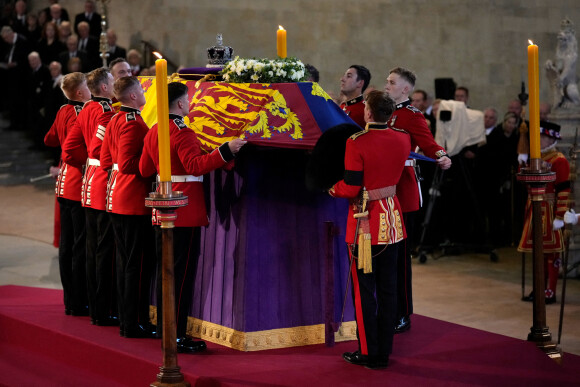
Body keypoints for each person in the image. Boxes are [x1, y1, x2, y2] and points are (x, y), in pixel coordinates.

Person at [140, 82, 247, 353]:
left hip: (161, 207)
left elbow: (144, 168)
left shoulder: (154, 130)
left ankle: (167, 330)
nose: (190, 104)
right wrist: (226, 149)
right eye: (187, 100)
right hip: (183, 210)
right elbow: (195, 165)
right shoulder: (183, 132)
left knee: (167, 274)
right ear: (179, 104)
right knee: (181, 276)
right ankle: (176, 336)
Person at [329, 90, 410, 370]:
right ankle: (384, 350)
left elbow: (351, 187)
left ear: (368, 112)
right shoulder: (402, 137)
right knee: (389, 289)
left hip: (366, 223)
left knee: (365, 292)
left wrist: (331, 188)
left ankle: (368, 352)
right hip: (393, 222)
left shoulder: (357, 142)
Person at [384, 67, 451, 334]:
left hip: (402, 189)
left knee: (400, 256)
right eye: (387, 81)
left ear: (405, 89)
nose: (386, 85)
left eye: (391, 83)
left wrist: (442, 155)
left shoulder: (411, 116)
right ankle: (387, 306)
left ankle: (402, 312)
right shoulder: (382, 110)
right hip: (381, 187)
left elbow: (428, 142)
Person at [100, 76, 156, 338]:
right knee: (137, 265)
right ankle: (136, 322)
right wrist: (155, 161)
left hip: (116, 197)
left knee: (126, 263)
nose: (145, 92)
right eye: (142, 90)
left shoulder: (116, 119)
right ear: (133, 96)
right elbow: (128, 164)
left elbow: (104, 161)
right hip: (132, 200)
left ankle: (127, 320)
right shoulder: (133, 124)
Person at [62, 67, 117, 326]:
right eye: (113, 81)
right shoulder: (106, 112)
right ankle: (104, 310)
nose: (116, 83)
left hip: (88, 180)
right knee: (104, 249)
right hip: (104, 181)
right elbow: (99, 147)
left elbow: (70, 148)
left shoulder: (85, 110)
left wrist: (87, 164)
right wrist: (101, 162)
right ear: (104, 88)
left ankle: (95, 308)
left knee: (92, 248)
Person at [43, 71, 92, 316]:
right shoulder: (79, 113)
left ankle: (69, 300)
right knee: (78, 244)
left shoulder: (62, 110)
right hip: (77, 182)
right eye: (88, 87)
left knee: (66, 244)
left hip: (63, 182)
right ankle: (77, 300)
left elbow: (49, 139)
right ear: (80, 92)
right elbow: (75, 149)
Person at [518, 122, 570, 305]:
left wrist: (560, 216)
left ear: (552, 138)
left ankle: (551, 290)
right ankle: (540, 288)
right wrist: (522, 161)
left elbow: (564, 190)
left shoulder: (559, 160)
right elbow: (524, 181)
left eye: (543, 137)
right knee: (538, 253)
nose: (539, 141)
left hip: (550, 209)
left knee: (551, 253)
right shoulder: (535, 158)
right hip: (534, 208)